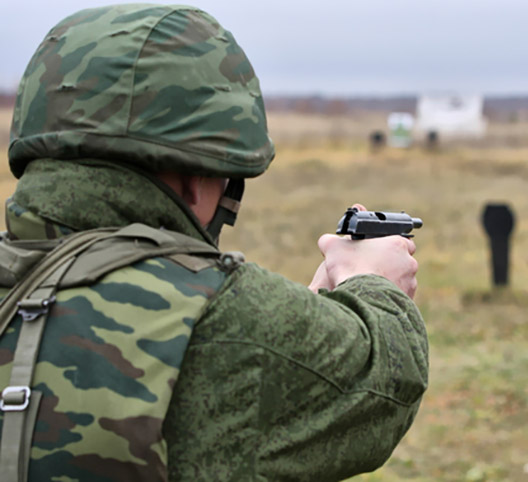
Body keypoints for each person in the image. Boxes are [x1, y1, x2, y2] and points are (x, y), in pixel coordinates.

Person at [0, 4, 428, 481]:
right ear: (196, 176)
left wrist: (307, 311)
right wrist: (374, 283)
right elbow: (381, 383)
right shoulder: (222, 313)